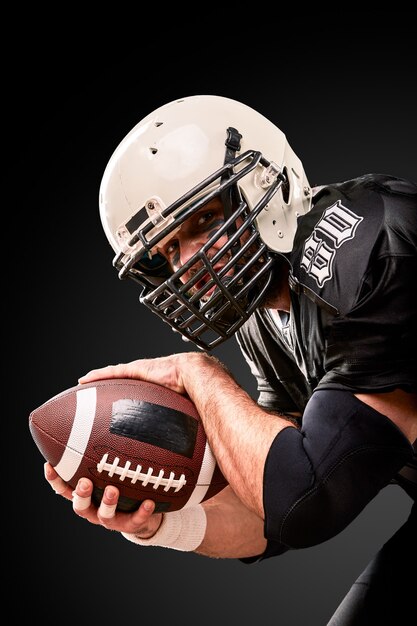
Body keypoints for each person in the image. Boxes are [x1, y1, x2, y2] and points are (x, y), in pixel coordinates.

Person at [44, 95, 416, 624]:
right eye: (168, 249)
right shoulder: (267, 313)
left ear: (264, 185)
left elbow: (306, 498)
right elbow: (272, 505)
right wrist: (158, 524)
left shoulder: (365, 253)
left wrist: (198, 372)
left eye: (202, 221)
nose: (187, 261)